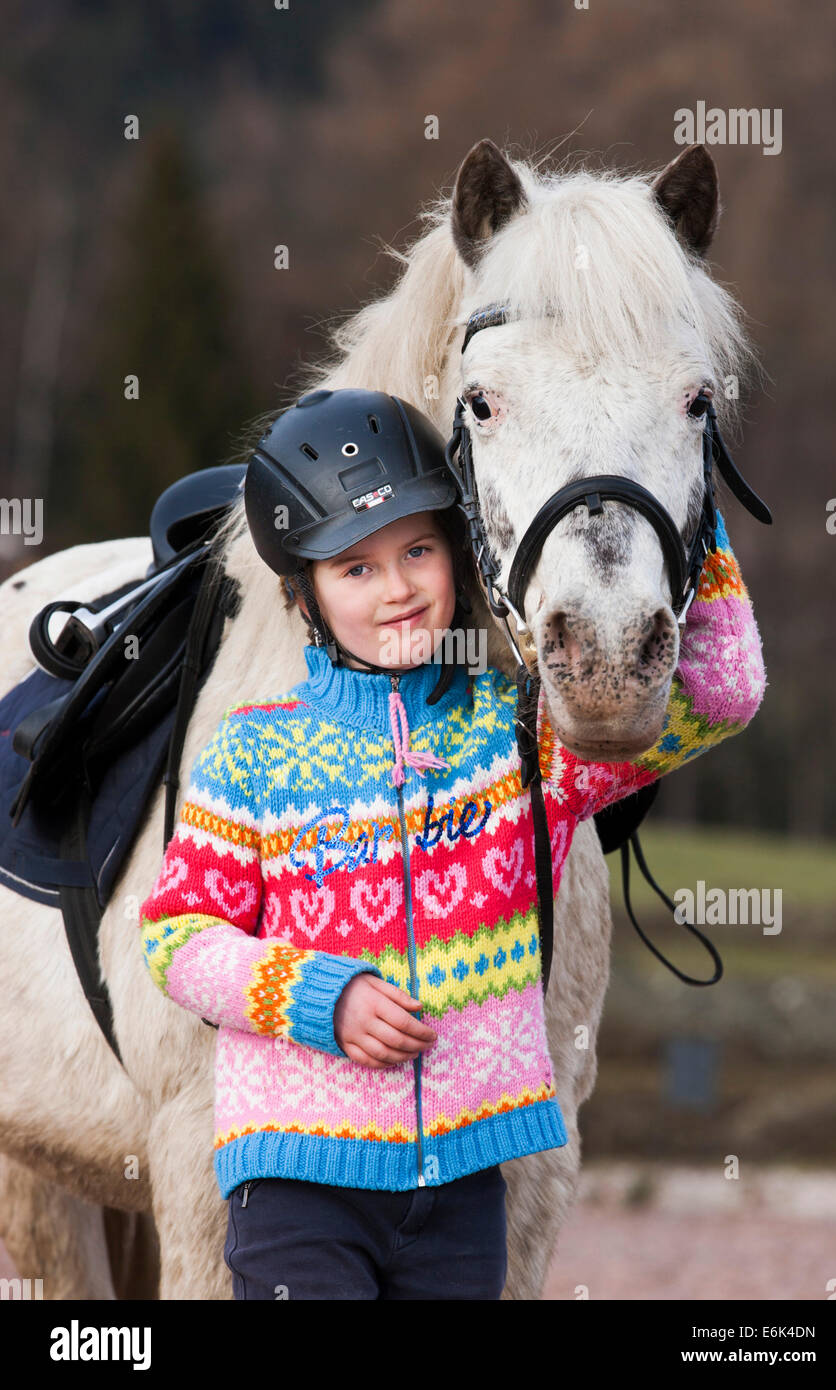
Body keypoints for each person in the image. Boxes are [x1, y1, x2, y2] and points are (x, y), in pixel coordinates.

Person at [139, 387, 767, 1300]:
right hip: (296, 1187)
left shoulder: (522, 742)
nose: (396, 588)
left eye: (419, 550)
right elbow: (178, 937)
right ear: (301, 593)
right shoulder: (251, 751)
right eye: (355, 568)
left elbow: (722, 690)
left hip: (465, 1186)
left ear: (460, 554)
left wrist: (685, 503)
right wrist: (322, 996)